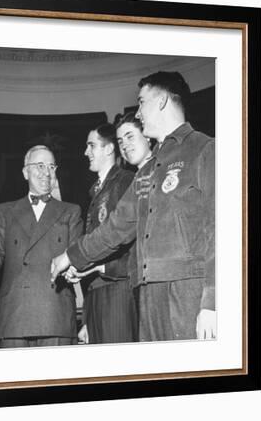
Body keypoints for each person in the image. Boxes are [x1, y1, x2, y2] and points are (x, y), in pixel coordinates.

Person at [52, 71, 216, 341]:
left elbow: (221, 231)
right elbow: (114, 229)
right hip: (147, 295)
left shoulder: (205, 149)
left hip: (188, 294)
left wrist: (212, 302)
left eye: (141, 102)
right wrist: (69, 256)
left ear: (162, 101)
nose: (138, 113)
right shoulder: (147, 169)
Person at [0, 145, 82, 348]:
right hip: (14, 317)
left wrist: (74, 269)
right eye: (39, 166)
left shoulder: (71, 211)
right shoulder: (5, 211)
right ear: (25, 172)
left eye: (51, 166)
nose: (46, 172)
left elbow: (77, 255)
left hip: (55, 316)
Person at [65, 123, 137, 344]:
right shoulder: (96, 190)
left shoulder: (125, 180)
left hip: (117, 290)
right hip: (95, 291)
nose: (86, 152)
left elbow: (128, 240)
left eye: (91, 145)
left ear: (108, 149)